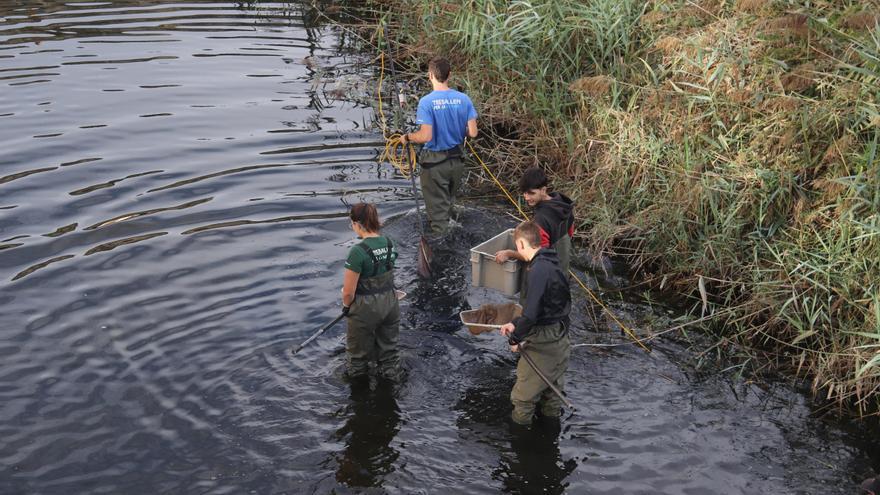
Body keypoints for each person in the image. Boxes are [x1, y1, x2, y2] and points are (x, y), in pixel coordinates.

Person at [499, 221, 572, 425]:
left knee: (522, 399)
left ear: (521, 244)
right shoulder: (552, 261)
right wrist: (515, 322)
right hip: (560, 336)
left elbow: (531, 314)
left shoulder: (537, 270)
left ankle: (521, 442)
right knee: (552, 393)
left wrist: (515, 338)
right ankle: (550, 437)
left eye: (517, 246)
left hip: (544, 340)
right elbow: (548, 306)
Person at [401, 57, 478, 235]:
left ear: (430, 75)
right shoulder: (463, 99)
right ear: (449, 75)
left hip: (435, 165)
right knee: (449, 205)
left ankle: (443, 250)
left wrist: (407, 137)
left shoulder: (426, 102)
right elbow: (473, 133)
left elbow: (426, 135)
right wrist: (456, 128)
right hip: (457, 162)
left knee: (438, 218)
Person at [341, 203, 400, 381]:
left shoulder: (357, 252)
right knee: (389, 353)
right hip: (390, 304)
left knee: (357, 357)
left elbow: (348, 293)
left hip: (365, 309)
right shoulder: (390, 243)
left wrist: (346, 307)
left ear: (357, 223)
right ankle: (390, 388)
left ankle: (359, 396)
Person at [494, 167, 575, 275]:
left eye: (531, 193)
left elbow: (536, 255)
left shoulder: (540, 222)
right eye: (524, 193)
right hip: (562, 274)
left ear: (543, 190)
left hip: (548, 279)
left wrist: (509, 253)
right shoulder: (562, 203)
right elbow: (570, 232)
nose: (526, 197)